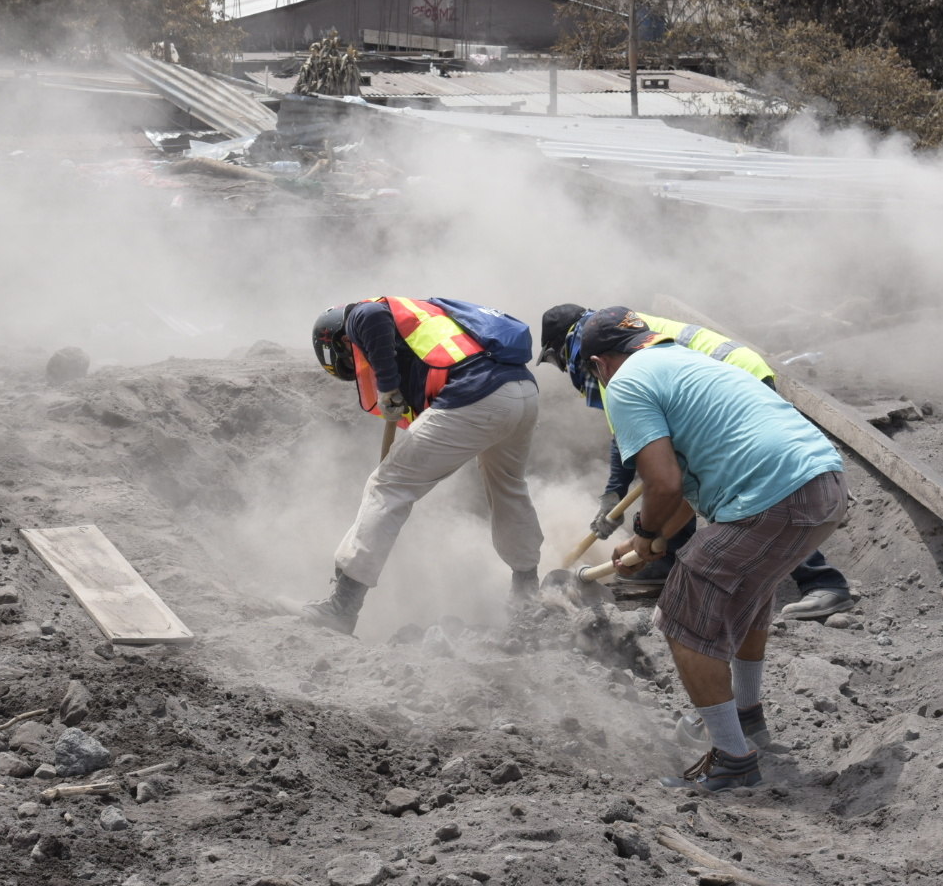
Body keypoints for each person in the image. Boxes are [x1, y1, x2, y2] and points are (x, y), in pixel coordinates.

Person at [578, 307, 848, 792]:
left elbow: (662, 482)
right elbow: (680, 492)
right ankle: (748, 723)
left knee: (680, 619)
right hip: (824, 483)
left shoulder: (623, 383)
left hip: (773, 494)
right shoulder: (689, 362)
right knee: (748, 595)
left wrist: (643, 531)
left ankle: (733, 760)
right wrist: (652, 541)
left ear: (598, 364)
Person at [538, 303, 854, 620]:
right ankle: (667, 563)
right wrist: (643, 533)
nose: (563, 369)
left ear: (566, 346)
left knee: (758, 491)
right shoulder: (619, 329)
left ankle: (821, 582)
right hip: (730, 373)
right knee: (695, 479)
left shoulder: (610, 359)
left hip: (729, 378)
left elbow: (627, 444)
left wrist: (618, 503)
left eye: (555, 360)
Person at [302, 297, 543, 634]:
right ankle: (527, 594)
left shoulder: (360, 314)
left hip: (476, 394)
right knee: (508, 487)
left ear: (342, 341)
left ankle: (342, 608)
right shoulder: (427, 321)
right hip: (522, 390)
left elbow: (370, 316)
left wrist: (387, 387)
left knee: (388, 486)